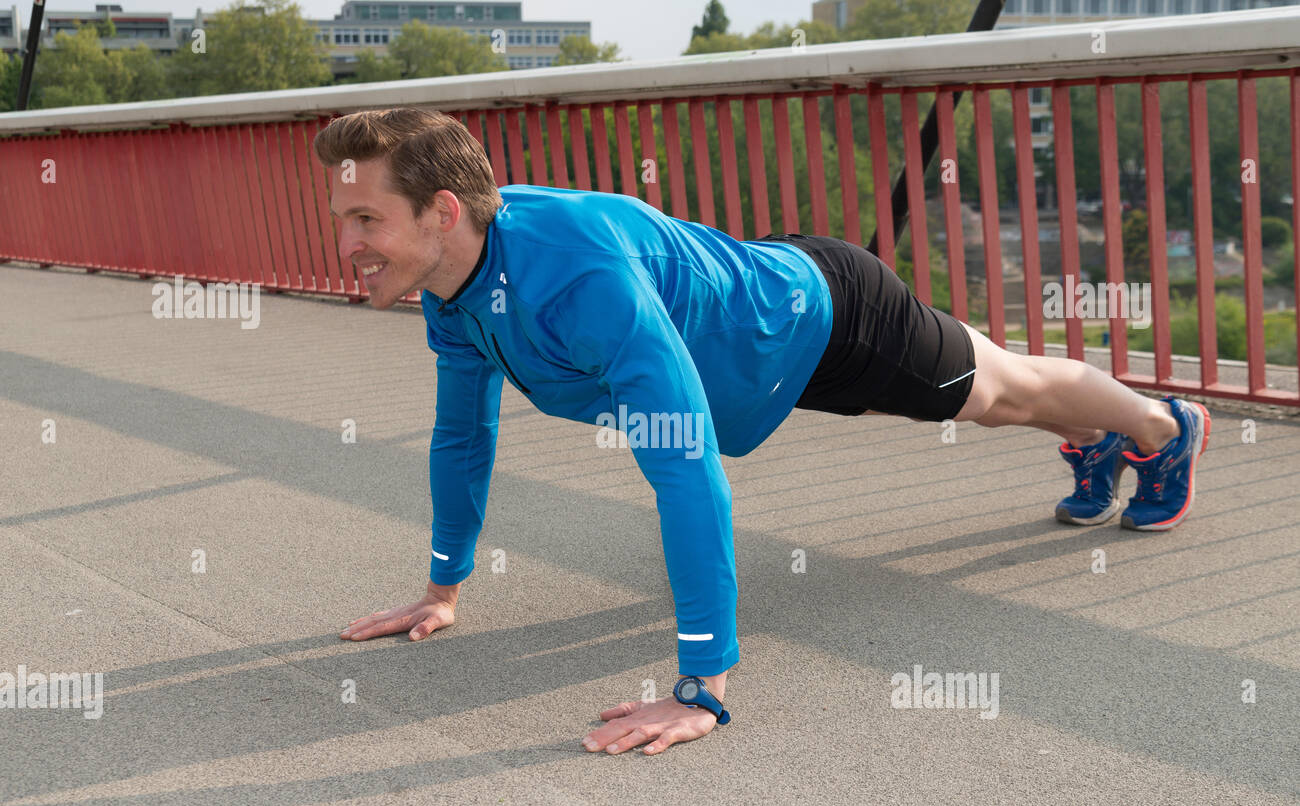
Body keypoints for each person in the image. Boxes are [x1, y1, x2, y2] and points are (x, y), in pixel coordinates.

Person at [318, 108, 1210, 756]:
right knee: (999, 397)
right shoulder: (456, 286)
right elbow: (463, 436)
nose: (349, 242)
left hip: (827, 319)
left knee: (1002, 392)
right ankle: (1100, 436)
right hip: (754, 336)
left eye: (367, 220)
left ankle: (1164, 426)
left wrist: (702, 686)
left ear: (441, 210)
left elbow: (684, 466)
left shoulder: (578, 274)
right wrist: (443, 590)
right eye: (344, 219)